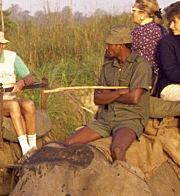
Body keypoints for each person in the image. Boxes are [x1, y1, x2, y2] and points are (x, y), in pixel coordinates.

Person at [64, 26, 151, 162]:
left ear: (120, 45)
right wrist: (119, 92)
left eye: (109, 44)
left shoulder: (141, 65)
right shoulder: (108, 67)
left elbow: (134, 98)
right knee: (66, 144)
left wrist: (109, 94)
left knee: (117, 150)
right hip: (106, 119)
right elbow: (97, 99)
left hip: (130, 119)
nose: (106, 47)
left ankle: (124, 179)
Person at [130, 0, 167, 70]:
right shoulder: (163, 29)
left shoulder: (139, 31)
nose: (131, 13)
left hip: (141, 75)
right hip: (160, 76)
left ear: (143, 13)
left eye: (133, 10)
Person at [154, 1, 180, 100]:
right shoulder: (167, 42)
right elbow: (171, 73)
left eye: (175, 22)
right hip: (170, 87)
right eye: (170, 21)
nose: (171, 26)